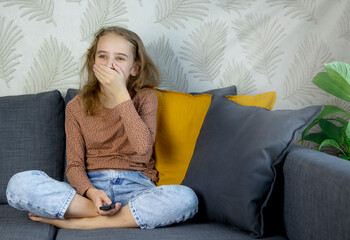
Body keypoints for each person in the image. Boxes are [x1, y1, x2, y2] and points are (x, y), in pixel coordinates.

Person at [6, 26, 198, 229]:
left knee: (186, 198)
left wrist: (121, 94)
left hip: (137, 191)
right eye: (103, 56)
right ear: (93, 62)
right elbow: (74, 166)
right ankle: (110, 216)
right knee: (19, 184)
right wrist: (92, 193)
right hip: (90, 193)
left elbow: (142, 149)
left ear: (135, 68)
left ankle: (81, 223)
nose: (110, 65)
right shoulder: (76, 106)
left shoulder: (145, 98)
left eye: (121, 58)